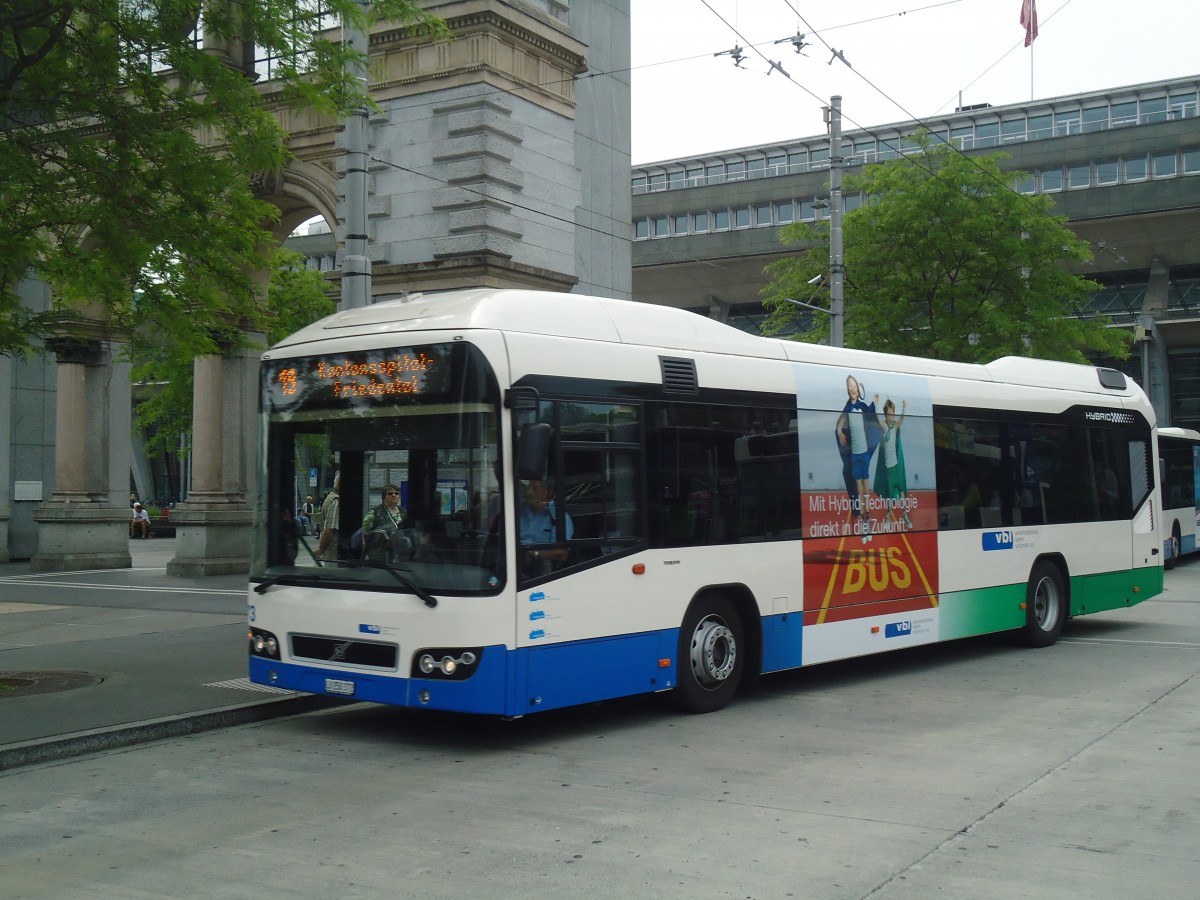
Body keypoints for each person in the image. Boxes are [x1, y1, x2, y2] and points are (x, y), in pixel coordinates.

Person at [835, 375, 882, 542]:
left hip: (864, 453)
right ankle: (864, 528)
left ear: (857, 389)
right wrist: (840, 432)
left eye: (854, 385)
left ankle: (867, 525)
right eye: (850, 385)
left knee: (866, 492)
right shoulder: (847, 408)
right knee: (860, 491)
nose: (852, 388)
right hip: (854, 454)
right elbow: (840, 422)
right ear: (848, 389)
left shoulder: (862, 406)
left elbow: (872, 415)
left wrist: (875, 404)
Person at [872, 398, 913, 529]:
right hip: (888, 469)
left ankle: (904, 514)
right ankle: (888, 516)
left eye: (892, 413)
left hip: (895, 467)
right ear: (885, 414)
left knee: (902, 492)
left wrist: (904, 408)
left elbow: (901, 420)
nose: (891, 416)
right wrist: (877, 405)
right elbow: (878, 419)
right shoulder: (884, 425)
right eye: (888, 414)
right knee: (890, 497)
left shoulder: (895, 426)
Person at [519, 478, 573, 572]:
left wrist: (534, 554)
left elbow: (562, 553)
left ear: (547, 493)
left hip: (541, 568)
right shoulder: (521, 513)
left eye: (535, 488)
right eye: (529, 488)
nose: (529, 493)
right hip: (515, 561)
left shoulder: (559, 517)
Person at [360, 483, 409, 560]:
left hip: (401, 558)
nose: (394, 495)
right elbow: (364, 535)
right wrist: (365, 554)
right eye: (390, 493)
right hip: (380, 557)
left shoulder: (404, 513)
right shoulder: (374, 513)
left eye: (396, 493)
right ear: (383, 497)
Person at [316, 472, 341, 561]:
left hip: (331, 553)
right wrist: (320, 550)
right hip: (334, 554)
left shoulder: (330, 497)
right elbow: (328, 530)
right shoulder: (336, 501)